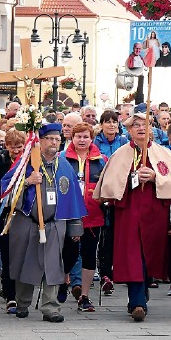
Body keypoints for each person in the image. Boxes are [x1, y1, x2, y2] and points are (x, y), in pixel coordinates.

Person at [93, 113, 171, 322]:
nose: (141, 128)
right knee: (132, 256)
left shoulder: (163, 153)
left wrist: (155, 177)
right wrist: (126, 178)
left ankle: (141, 290)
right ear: (129, 130)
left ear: (151, 128)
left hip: (154, 214)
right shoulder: (121, 154)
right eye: (136, 125)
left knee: (148, 255)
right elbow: (109, 185)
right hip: (128, 214)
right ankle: (137, 302)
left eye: (144, 125)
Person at [1, 123, 86, 323]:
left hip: (55, 223)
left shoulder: (64, 165)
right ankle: (22, 303)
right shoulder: (25, 163)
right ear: (40, 140)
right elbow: (5, 191)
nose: (54, 142)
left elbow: (74, 196)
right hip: (27, 221)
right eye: (50, 139)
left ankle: (51, 307)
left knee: (53, 265)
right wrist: (28, 181)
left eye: (57, 139)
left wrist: (75, 226)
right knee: (25, 262)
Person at [60, 123, 106, 313]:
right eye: (78, 136)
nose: (82, 140)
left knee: (89, 255)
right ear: (72, 138)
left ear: (91, 139)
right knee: (68, 254)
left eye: (85, 137)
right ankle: (63, 280)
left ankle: (84, 296)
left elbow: (107, 183)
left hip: (93, 215)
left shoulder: (101, 160)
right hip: (69, 214)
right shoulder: (62, 158)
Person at [0, 129, 26, 314]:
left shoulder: (28, 161)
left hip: (23, 215)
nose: (16, 151)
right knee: (7, 255)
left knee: (22, 255)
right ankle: (10, 295)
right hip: (4, 214)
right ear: (6, 146)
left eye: (19, 147)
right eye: (12, 147)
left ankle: (21, 292)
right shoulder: (0, 162)